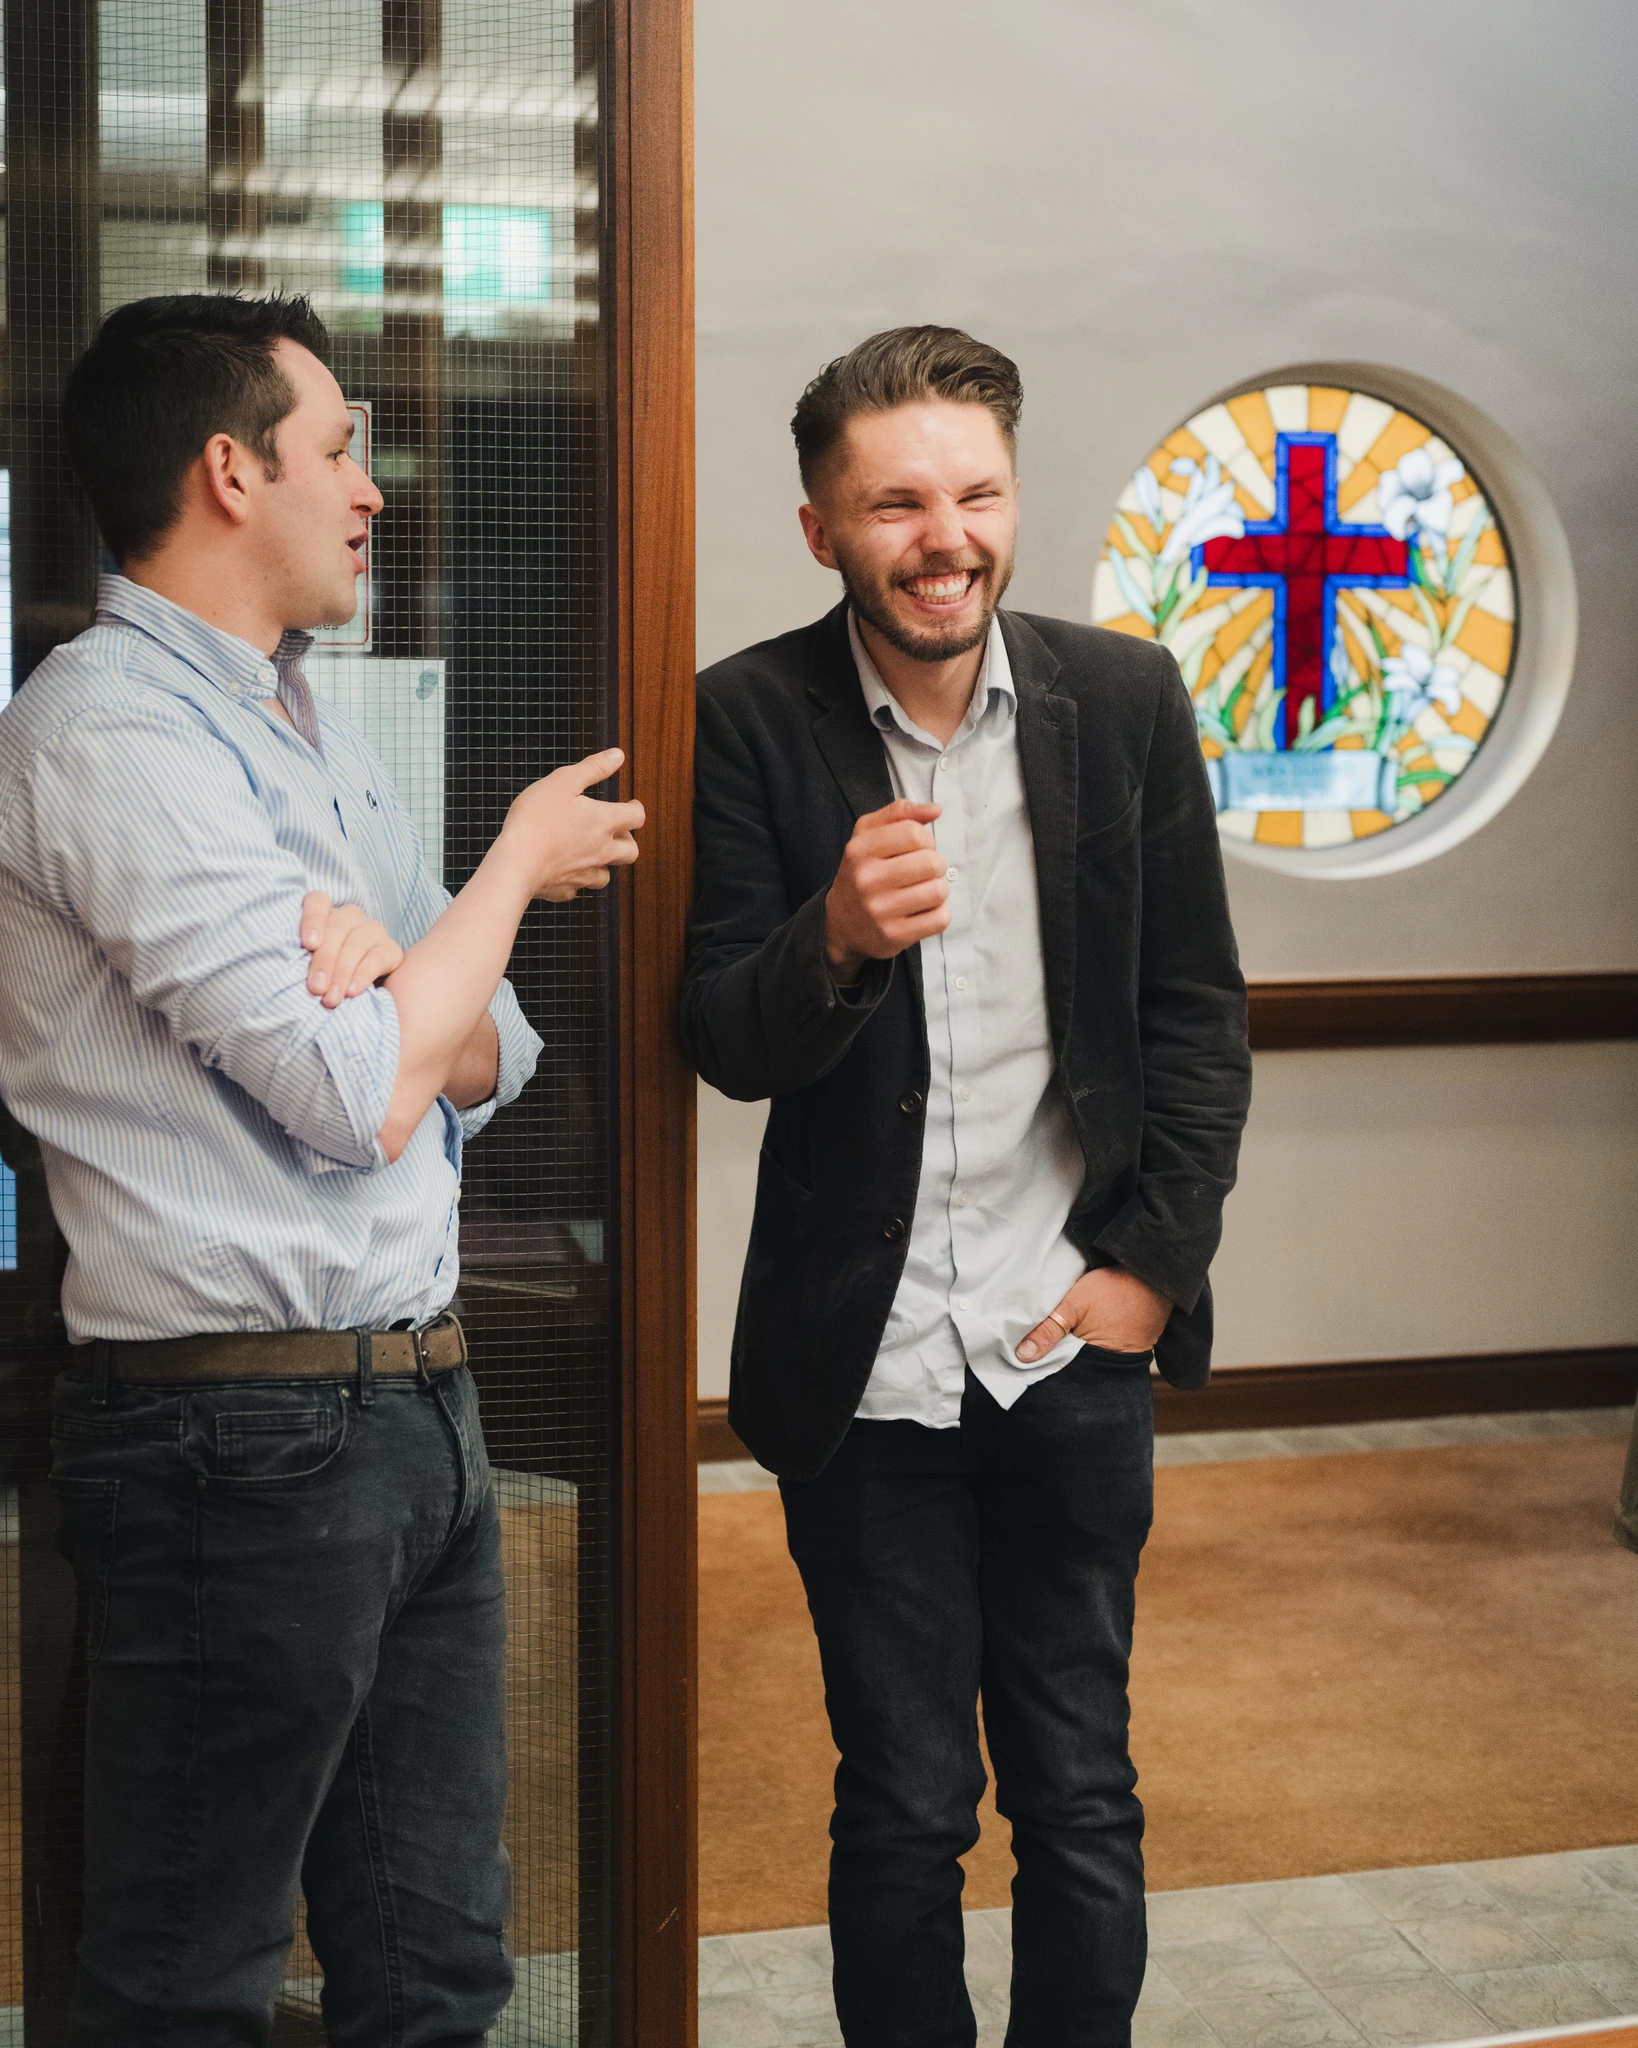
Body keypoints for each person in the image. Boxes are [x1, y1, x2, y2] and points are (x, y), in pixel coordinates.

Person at [0, 293, 642, 2046]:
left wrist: (414, 973)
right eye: (341, 447)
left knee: (435, 1972)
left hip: (420, 1408)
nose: (370, 491)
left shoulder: (300, 717)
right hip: (232, 1435)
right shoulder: (107, 734)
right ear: (231, 469)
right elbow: (362, 1095)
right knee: (185, 1986)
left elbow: (497, 1053)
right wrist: (508, 863)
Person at [683, 327, 1251, 2048]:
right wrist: (835, 940)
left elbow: (1194, 1019)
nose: (944, 535)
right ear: (820, 528)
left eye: (976, 492)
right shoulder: (746, 716)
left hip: (1067, 1343)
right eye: (896, 503)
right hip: (864, 1371)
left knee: (1079, 1793)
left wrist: (1148, 1269)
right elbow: (721, 1030)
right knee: (903, 1805)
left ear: (1012, 497)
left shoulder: (1125, 699)